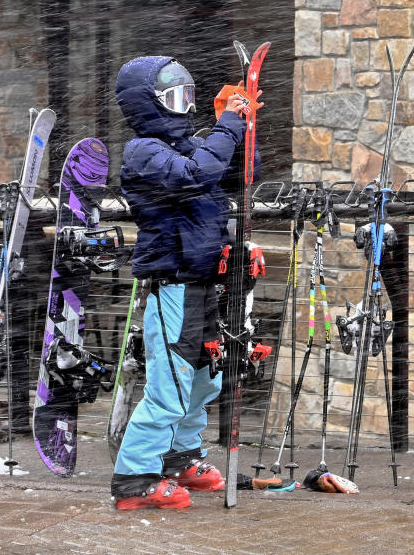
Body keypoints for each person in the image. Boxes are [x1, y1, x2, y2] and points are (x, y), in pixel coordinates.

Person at [111, 56, 268, 509]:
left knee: (203, 379)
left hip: (206, 281)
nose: (183, 107)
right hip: (173, 282)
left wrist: (243, 128)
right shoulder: (145, 151)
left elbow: (240, 177)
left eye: (187, 97)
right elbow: (195, 176)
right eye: (172, 98)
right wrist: (225, 127)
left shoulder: (191, 146)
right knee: (171, 383)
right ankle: (135, 479)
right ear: (147, 104)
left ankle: (180, 458)